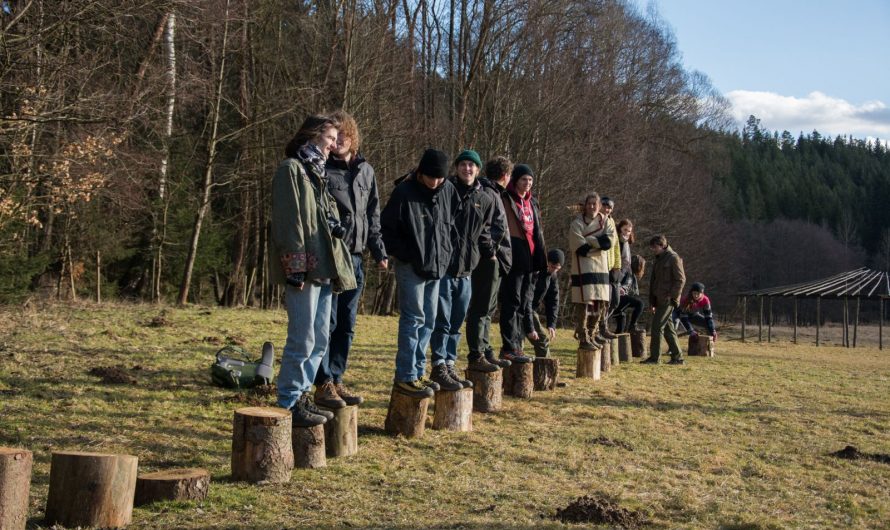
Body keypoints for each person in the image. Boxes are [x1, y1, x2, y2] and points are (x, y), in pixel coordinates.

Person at [271, 115, 357, 427]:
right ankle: (289, 402)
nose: (335, 144)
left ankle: (303, 396)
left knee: (320, 339)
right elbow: (288, 221)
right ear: (314, 134)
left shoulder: (317, 172)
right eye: (331, 137)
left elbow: (324, 213)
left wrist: (337, 225)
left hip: (323, 265)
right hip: (303, 268)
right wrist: (294, 264)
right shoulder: (291, 169)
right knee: (302, 338)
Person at [314, 110, 387, 409]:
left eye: (345, 134)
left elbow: (373, 214)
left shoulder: (366, 171)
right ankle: (323, 382)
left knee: (347, 323)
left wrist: (379, 249)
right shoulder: (320, 169)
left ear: (353, 137)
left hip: (356, 259)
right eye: (335, 134)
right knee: (327, 323)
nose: (340, 140)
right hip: (332, 257)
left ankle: (338, 378)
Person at [380, 149, 457, 398]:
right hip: (411, 267)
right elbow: (387, 230)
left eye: (440, 178)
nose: (435, 182)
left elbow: (452, 227)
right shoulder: (403, 192)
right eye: (431, 177)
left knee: (429, 321)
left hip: (437, 268)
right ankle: (405, 375)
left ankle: (418, 371)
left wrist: (446, 256)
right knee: (413, 320)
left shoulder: (448, 191)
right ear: (420, 172)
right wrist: (408, 254)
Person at [429, 150, 496, 389]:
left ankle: (450, 363)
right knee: (442, 320)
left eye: (472, 165)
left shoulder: (485, 198)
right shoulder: (445, 189)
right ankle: (438, 365)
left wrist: (490, 251)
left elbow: (484, 232)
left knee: (457, 321)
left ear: (478, 170)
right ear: (456, 168)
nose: (467, 169)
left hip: (467, 271)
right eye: (463, 164)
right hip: (445, 268)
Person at [465, 156, 513, 371]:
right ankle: (476, 354)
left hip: (496, 260)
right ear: (506, 176)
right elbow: (484, 228)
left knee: (489, 308)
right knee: (481, 308)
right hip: (487, 260)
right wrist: (491, 253)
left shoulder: (493, 193)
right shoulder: (488, 194)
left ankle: (486, 349)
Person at [498, 164, 547, 364]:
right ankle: (508, 346)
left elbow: (537, 231)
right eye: (523, 179)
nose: (527, 183)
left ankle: (517, 346)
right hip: (513, 256)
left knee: (524, 303)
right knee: (512, 302)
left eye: (530, 180)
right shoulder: (506, 199)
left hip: (530, 257)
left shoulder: (532, 202)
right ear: (515, 181)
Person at [568, 193, 612, 350]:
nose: (592, 206)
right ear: (585, 205)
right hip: (583, 266)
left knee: (600, 302)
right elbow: (580, 248)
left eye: (595, 204)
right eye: (590, 203)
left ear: (599, 206)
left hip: (601, 267)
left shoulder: (607, 222)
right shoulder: (576, 224)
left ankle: (593, 334)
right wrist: (597, 244)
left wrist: (589, 241)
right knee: (584, 302)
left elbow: (608, 242)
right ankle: (583, 335)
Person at [642, 234, 686, 365]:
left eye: (654, 248)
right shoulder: (659, 259)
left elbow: (681, 280)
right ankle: (678, 357)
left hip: (667, 300)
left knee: (657, 327)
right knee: (668, 329)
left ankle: (655, 358)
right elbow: (654, 282)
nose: (653, 250)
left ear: (662, 245)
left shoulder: (674, 258)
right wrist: (652, 301)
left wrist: (672, 296)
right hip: (659, 298)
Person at [527, 249, 564, 357]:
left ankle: (544, 371)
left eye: (557, 269)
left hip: (531, 309)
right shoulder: (535, 270)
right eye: (552, 267)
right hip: (521, 307)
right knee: (539, 340)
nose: (553, 270)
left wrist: (551, 324)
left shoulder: (552, 276)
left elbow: (553, 300)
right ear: (547, 261)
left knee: (541, 341)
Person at [612, 218, 644, 332]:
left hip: (620, 285)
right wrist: (618, 284)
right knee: (639, 304)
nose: (626, 233)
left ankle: (619, 344)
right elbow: (620, 264)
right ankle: (632, 326)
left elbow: (626, 264)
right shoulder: (616, 242)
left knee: (621, 318)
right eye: (625, 230)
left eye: (629, 231)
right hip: (614, 283)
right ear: (620, 229)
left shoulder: (626, 244)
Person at [597, 196, 622, 341]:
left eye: (609, 207)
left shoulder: (612, 221)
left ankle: (603, 324)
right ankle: (600, 328)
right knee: (602, 300)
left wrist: (617, 265)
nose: (607, 209)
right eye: (605, 206)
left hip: (611, 266)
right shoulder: (597, 220)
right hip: (600, 265)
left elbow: (616, 245)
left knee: (614, 300)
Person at [614, 253, 646, 333]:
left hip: (621, 298)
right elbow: (615, 280)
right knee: (640, 304)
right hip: (617, 297)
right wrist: (618, 288)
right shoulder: (625, 271)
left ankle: (615, 344)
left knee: (620, 327)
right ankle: (633, 326)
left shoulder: (632, 275)